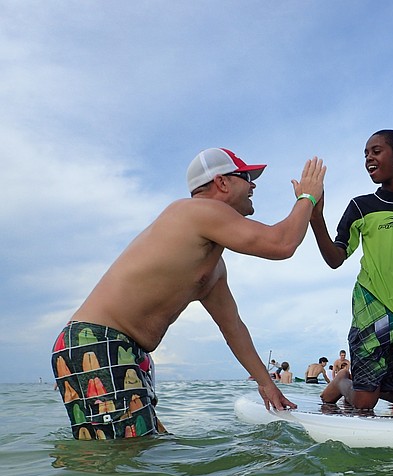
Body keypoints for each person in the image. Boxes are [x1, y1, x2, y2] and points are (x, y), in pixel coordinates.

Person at [50, 148, 326, 440]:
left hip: (117, 348)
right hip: (98, 342)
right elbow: (281, 243)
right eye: (246, 177)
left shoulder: (213, 265)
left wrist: (266, 385)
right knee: (124, 458)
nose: (253, 185)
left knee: (139, 450)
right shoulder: (197, 211)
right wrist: (307, 197)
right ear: (222, 183)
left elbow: (233, 328)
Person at [309, 130, 393, 410]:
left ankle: (358, 382)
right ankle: (343, 382)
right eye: (366, 154)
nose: (369, 158)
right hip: (372, 307)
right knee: (364, 403)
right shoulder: (361, 206)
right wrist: (315, 218)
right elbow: (336, 258)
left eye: (376, 151)